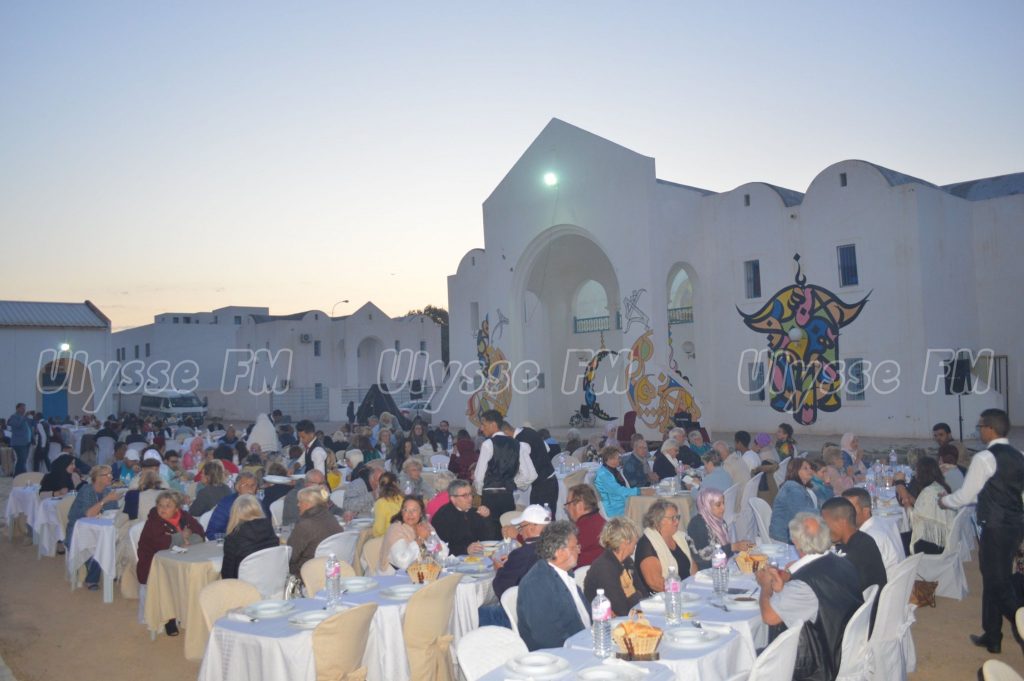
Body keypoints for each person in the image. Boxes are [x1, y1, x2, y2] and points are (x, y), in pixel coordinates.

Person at [940, 409, 1023, 654]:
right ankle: (992, 635)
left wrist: (944, 501)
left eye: (980, 427)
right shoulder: (1019, 455)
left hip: (996, 528)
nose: (979, 431)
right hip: (1015, 525)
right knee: (993, 577)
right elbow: (993, 492)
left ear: (990, 429)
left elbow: (966, 495)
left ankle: (1021, 625)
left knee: (998, 584)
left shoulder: (984, 458)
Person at [755, 513, 863, 681]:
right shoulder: (843, 562)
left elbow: (769, 617)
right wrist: (785, 583)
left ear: (795, 542)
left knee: (748, 656)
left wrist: (765, 586)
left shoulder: (804, 586)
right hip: (846, 647)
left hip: (822, 665)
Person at [137, 491, 205, 635]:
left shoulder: (184, 517)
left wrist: (184, 540)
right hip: (154, 565)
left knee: (194, 577)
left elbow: (199, 534)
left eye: (168, 506)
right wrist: (181, 537)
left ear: (177, 508)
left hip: (180, 560)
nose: (163, 509)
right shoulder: (153, 521)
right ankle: (169, 618)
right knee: (170, 581)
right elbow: (161, 543)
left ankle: (188, 613)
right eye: (160, 505)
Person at [516, 521, 590, 651]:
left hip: (585, 642)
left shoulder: (565, 574)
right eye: (574, 547)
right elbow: (547, 638)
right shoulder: (536, 585)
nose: (579, 551)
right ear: (559, 552)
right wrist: (583, 648)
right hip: (561, 655)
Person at [821, 497, 886, 629]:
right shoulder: (864, 539)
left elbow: (831, 589)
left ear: (841, 521)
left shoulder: (850, 556)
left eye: (826, 524)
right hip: (874, 609)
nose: (824, 529)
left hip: (860, 621)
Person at [473, 411, 536, 525]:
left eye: (483, 424)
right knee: (507, 527)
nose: (481, 428)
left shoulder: (488, 444)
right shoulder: (518, 444)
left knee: (490, 529)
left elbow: (479, 477)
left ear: (493, 424)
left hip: (490, 496)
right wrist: (513, 483)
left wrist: (481, 491)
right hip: (507, 496)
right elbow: (529, 475)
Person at [66, 465, 123, 588]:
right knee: (97, 544)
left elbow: (113, 512)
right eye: (107, 475)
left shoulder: (108, 491)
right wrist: (105, 500)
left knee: (117, 539)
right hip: (78, 530)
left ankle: (113, 570)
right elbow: (89, 514)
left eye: (111, 474)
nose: (111, 477)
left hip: (99, 530)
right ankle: (92, 578)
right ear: (97, 477)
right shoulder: (86, 490)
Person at [583, 516, 646, 616]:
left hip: (633, 614)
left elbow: (644, 593)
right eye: (635, 538)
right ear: (625, 541)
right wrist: (638, 595)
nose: (637, 541)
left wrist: (637, 595)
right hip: (607, 621)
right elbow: (622, 609)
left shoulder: (627, 561)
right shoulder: (604, 568)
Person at [895, 456, 954, 555]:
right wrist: (907, 495)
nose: (915, 475)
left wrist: (900, 484)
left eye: (917, 472)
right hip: (941, 538)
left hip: (932, 544)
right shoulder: (939, 487)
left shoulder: (928, 492)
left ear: (922, 474)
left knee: (895, 540)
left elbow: (913, 520)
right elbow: (923, 507)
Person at [840, 487, 905, 576]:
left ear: (866, 511)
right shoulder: (880, 521)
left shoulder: (869, 537)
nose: (844, 515)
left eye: (850, 510)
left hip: (889, 582)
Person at [635, 499, 696, 593]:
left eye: (677, 517)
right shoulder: (646, 544)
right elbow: (656, 584)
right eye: (673, 518)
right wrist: (681, 591)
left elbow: (693, 569)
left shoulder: (680, 538)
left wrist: (695, 588)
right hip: (664, 596)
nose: (677, 522)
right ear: (658, 520)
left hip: (686, 591)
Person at [687, 488, 754, 570]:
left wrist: (740, 547)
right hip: (707, 571)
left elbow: (726, 550)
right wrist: (733, 547)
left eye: (723, 503)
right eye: (718, 505)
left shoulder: (720, 522)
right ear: (706, 506)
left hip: (722, 565)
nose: (723, 508)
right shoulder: (697, 524)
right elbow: (701, 556)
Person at [378, 495, 446, 574]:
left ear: (421, 513)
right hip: (395, 576)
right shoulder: (396, 529)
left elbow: (443, 554)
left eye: (414, 510)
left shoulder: (425, 526)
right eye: (406, 510)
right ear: (402, 512)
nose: (410, 514)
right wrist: (419, 539)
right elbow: (403, 563)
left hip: (423, 573)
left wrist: (429, 537)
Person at [287, 485, 343, 576]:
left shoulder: (305, 525)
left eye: (300, 502)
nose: (298, 505)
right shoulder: (331, 518)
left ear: (308, 504)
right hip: (330, 568)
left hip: (307, 573)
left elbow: (290, 556)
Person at [431, 479, 497, 555]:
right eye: (465, 496)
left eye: (470, 494)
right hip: (453, 559)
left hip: (475, 556)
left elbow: (488, 539)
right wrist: (465, 550)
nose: (470, 498)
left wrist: (486, 518)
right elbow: (439, 548)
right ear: (453, 499)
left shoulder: (474, 512)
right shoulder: (442, 517)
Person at [220, 494, 279, 579]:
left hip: (243, 585)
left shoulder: (232, 539)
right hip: (271, 582)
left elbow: (227, 575)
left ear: (234, 514)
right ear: (259, 510)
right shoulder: (270, 531)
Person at [594, 446, 652, 517]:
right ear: (609, 459)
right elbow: (619, 490)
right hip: (615, 509)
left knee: (648, 506)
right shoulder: (603, 475)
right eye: (617, 458)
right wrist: (639, 491)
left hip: (624, 503)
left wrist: (642, 491)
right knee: (645, 511)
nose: (619, 460)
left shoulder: (614, 470)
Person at [770, 457, 818, 543]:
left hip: (792, 534)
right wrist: (825, 515)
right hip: (784, 539)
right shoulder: (792, 488)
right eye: (805, 468)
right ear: (795, 471)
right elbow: (802, 514)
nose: (810, 470)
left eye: (810, 468)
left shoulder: (798, 487)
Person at [206, 472, 259, 538]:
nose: (250, 489)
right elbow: (212, 532)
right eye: (246, 485)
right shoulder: (226, 504)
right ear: (237, 487)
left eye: (253, 485)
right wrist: (231, 540)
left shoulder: (259, 503)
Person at [563, 483, 605, 567]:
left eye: (568, 504)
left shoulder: (578, 532)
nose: (566, 508)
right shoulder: (603, 523)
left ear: (579, 506)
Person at [517, 425, 557, 511]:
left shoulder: (520, 442)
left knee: (539, 515)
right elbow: (547, 449)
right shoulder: (530, 432)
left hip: (541, 485)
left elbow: (531, 476)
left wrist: (516, 484)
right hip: (551, 479)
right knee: (549, 514)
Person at [372, 472, 404, 538]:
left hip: (389, 538)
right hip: (404, 534)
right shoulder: (403, 498)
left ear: (380, 486)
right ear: (396, 484)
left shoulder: (381, 503)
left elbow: (379, 531)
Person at [8, 402, 32, 475]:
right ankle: (22, 475)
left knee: (22, 460)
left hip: (26, 442)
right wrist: (24, 417)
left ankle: (17, 475)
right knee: (22, 460)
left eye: (24, 408)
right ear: (17, 409)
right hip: (19, 443)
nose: (24, 410)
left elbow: (29, 427)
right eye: (22, 408)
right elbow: (16, 425)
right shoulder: (14, 417)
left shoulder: (23, 417)